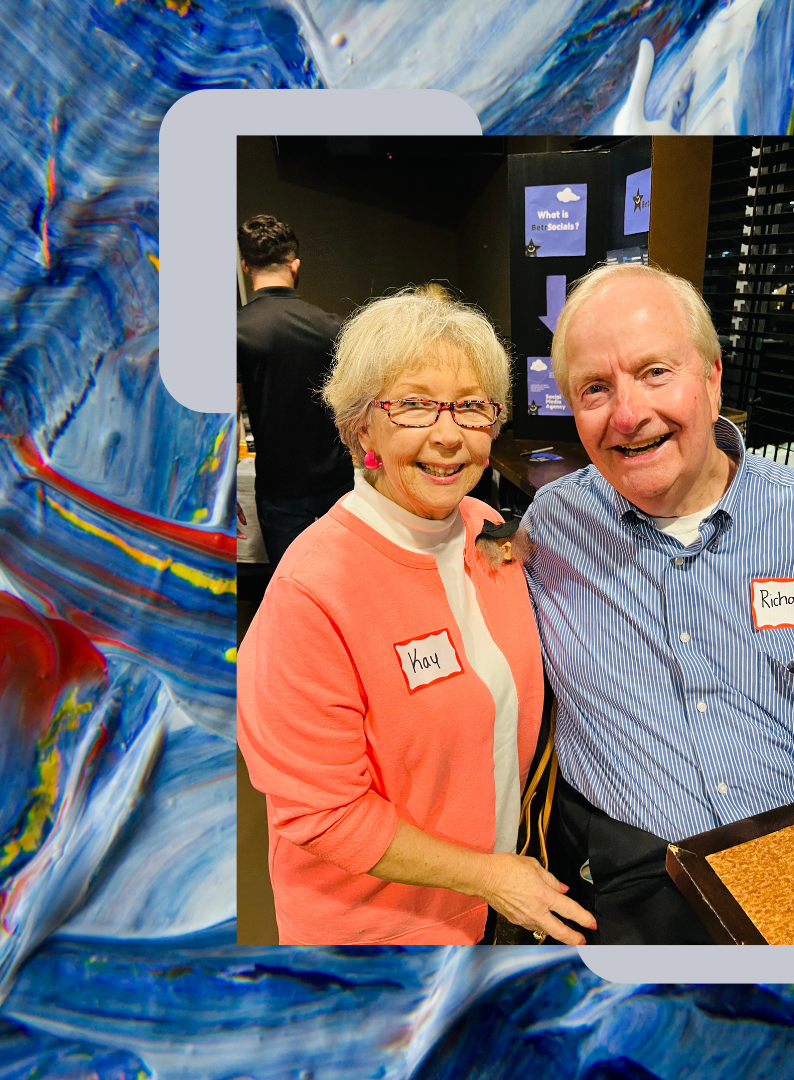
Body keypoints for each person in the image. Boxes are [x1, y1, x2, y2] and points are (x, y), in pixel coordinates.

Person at [236, 286, 595, 946]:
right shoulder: (311, 594)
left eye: (470, 406)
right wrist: (491, 877)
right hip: (377, 939)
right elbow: (326, 814)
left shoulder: (490, 533)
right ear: (359, 427)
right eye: (414, 405)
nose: (448, 433)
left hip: (491, 908)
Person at [521, 263, 794, 944]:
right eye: (596, 389)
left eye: (654, 373)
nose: (630, 414)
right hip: (639, 883)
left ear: (713, 375)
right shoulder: (551, 529)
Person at [237, 215, 355, 567]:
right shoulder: (333, 326)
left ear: (246, 267)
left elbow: (225, 418)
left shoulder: (236, 331)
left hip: (279, 489)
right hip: (338, 484)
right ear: (295, 265)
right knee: (344, 578)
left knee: (291, 587)